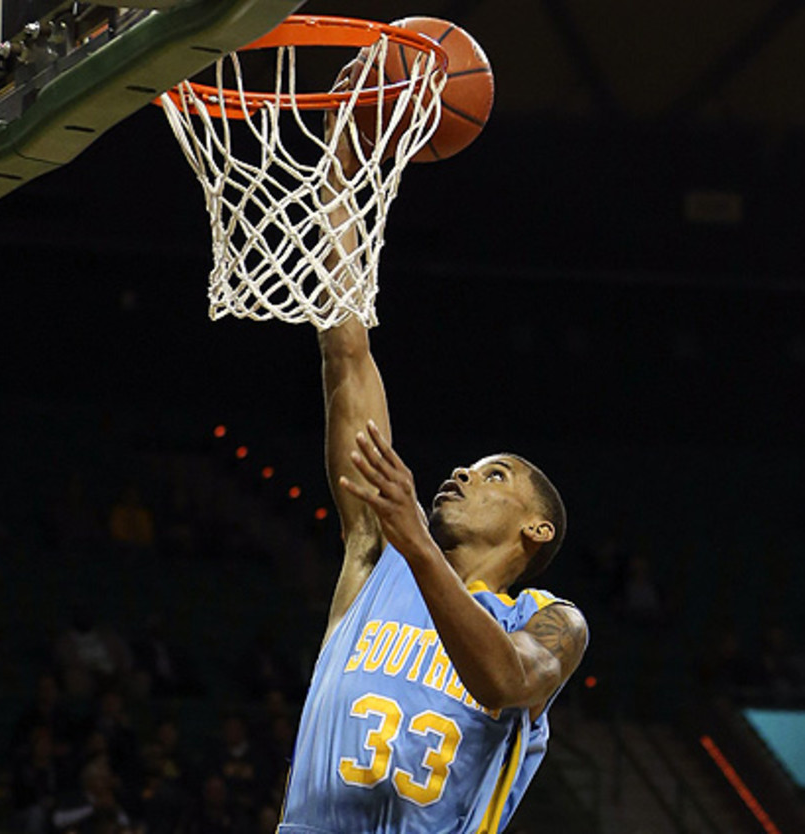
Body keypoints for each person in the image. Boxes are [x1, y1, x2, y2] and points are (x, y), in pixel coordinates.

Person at [276, 127, 588, 832]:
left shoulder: (551, 621)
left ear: (535, 528)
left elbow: (505, 682)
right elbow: (346, 352)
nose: (462, 473)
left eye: (493, 475)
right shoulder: (373, 553)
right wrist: (338, 172)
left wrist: (415, 539)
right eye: (469, 467)